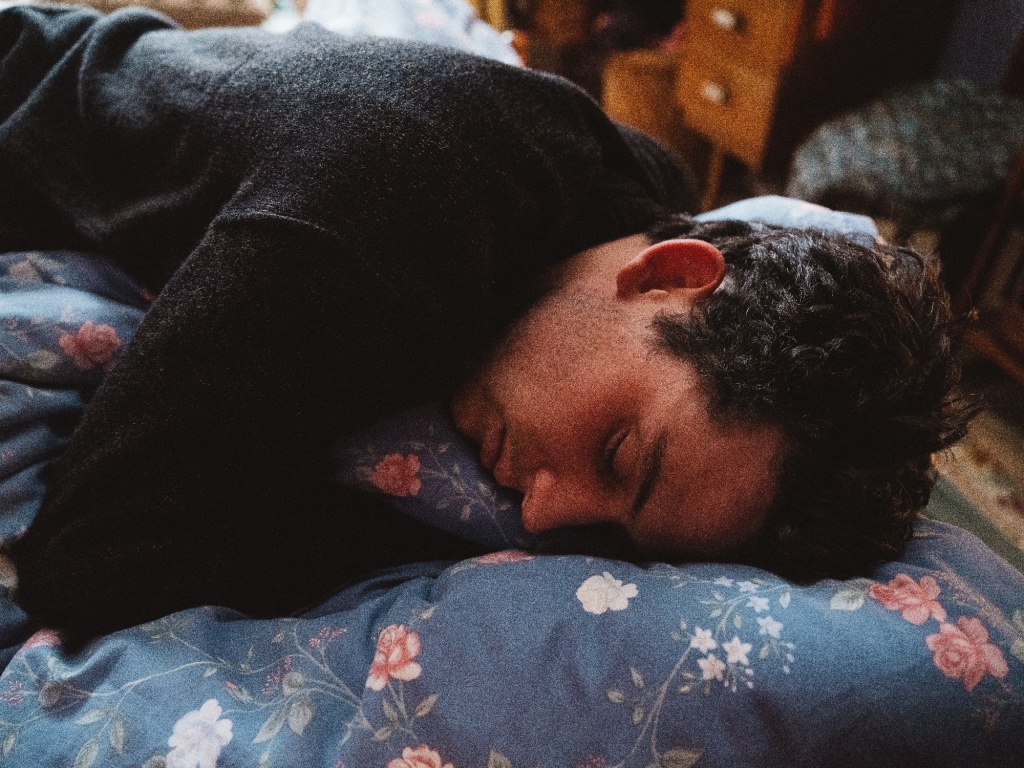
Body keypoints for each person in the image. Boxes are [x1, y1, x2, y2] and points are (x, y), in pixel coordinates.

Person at [0, 4, 966, 645]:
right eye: (619, 452)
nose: (541, 515)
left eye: (613, 532)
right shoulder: (385, 221)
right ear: (668, 274)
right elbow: (88, 561)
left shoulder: (647, 190)